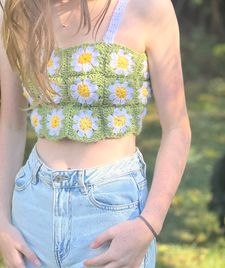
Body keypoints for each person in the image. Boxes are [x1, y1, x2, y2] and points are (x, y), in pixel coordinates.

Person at [0, 0, 191, 267]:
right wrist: (2, 222)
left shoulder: (148, 7)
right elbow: (10, 126)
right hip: (32, 211)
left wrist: (149, 223)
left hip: (112, 212)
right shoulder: (21, 10)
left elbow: (177, 130)